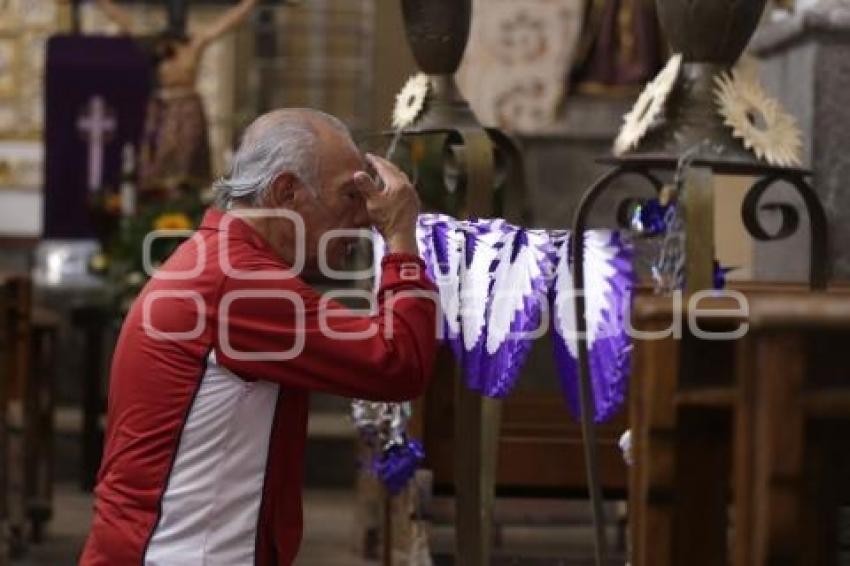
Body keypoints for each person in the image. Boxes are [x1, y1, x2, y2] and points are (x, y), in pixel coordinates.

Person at [79, 109, 439, 565]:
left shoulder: (223, 262)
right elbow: (398, 364)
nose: (365, 217)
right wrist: (402, 238)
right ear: (286, 191)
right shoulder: (239, 282)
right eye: (350, 195)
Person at [95, 0, 260, 195]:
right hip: (161, 111)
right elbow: (122, 19)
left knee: (186, 159)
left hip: (188, 109)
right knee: (158, 161)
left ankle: (185, 202)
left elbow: (226, 23)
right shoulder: (157, 45)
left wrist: (250, 4)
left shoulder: (195, 43)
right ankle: (157, 207)